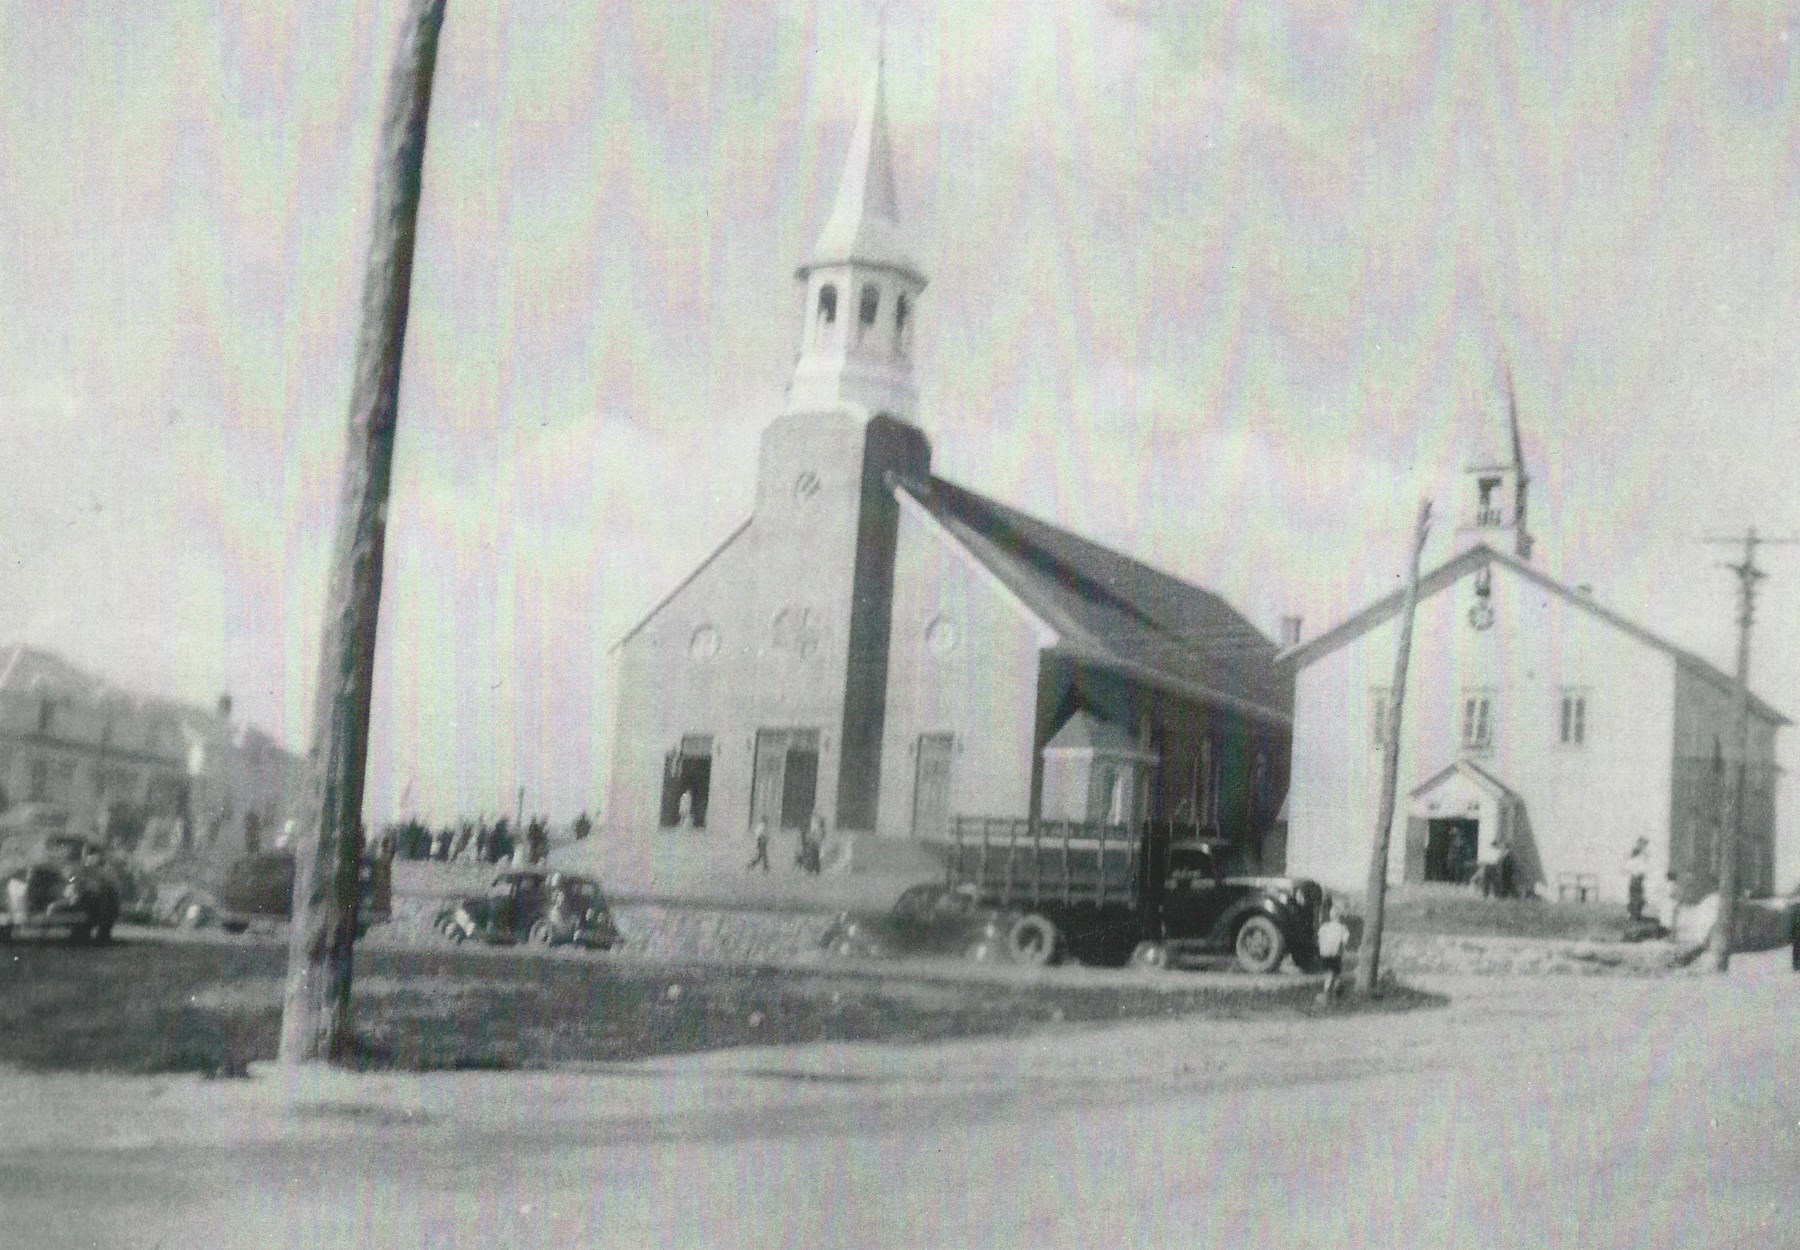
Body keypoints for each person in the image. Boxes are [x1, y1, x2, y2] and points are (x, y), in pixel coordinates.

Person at [1315, 896, 1350, 1005]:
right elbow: (1345, 941)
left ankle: (1335, 992)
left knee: (1331, 974)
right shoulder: (1342, 928)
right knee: (1333, 974)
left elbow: (1319, 938)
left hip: (1324, 954)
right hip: (1335, 954)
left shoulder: (1324, 927)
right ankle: (1329, 994)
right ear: (1340, 917)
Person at [1623, 837, 1650, 922]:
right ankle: (1633, 915)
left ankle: (1638, 914)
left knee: (1640, 897)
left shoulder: (1644, 855)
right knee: (1635, 897)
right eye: (1642, 844)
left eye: (1644, 845)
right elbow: (1629, 866)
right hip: (1635, 878)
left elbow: (1644, 867)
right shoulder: (1635, 855)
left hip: (1640, 878)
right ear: (1639, 844)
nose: (1643, 846)